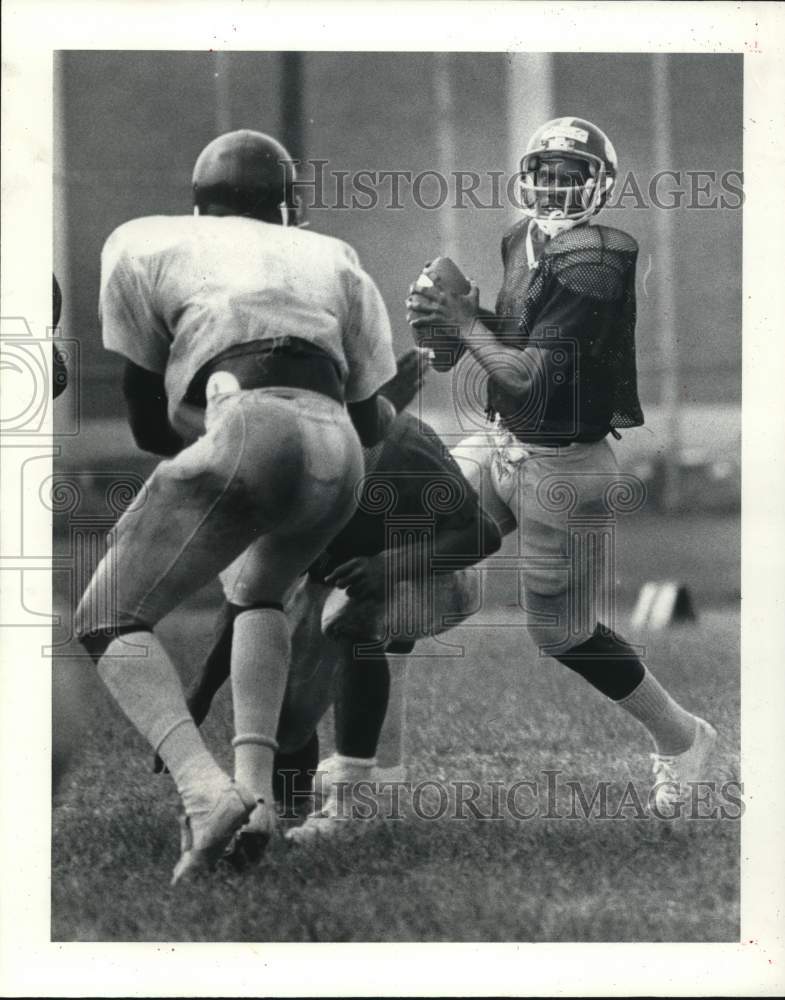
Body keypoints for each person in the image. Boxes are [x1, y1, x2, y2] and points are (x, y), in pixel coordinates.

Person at [75, 129, 398, 883]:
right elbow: (371, 416)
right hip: (340, 453)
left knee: (105, 617)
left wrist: (214, 431)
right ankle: (254, 800)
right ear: (288, 209)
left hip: (250, 420)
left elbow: (146, 421)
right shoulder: (333, 256)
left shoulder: (148, 242)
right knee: (259, 590)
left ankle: (204, 794)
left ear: (199, 203)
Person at [406, 116, 717, 810]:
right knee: (403, 536)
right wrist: (456, 324)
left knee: (561, 633)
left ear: (597, 186)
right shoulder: (519, 238)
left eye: (570, 174)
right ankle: (357, 755)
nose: (553, 185)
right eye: (544, 172)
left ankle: (681, 737)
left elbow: (528, 378)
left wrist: (461, 321)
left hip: (564, 467)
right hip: (496, 439)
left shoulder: (600, 257)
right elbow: (512, 342)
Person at [175, 383, 502, 849]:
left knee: (352, 619)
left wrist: (391, 566)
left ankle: (353, 804)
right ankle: (290, 804)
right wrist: (201, 692)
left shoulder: (397, 443)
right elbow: (251, 590)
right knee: (285, 720)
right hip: (348, 577)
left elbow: (482, 535)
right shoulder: (269, 460)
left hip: (439, 571)